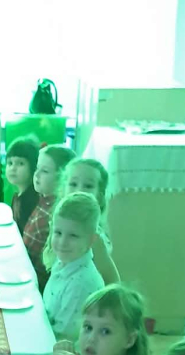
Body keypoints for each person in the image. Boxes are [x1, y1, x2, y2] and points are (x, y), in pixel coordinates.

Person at [42, 192, 104, 342]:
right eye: (58, 233)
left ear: (91, 240)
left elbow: (63, 338)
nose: (62, 242)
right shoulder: (64, 261)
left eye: (73, 236)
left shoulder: (79, 283)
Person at [23, 144, 75, 291]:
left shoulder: (53, 214)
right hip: (25, 269)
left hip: (34, 285)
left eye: (45, 171)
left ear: (62, 178)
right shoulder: (43, 201)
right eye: (37, 168)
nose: (37, 175)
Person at [63, 157, 119, 285]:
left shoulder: (94, 237)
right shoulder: (61, 223)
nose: (79, 190)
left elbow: (112, 281)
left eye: (88, 186)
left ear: (99, 195)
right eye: (73, 184)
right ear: (63, 188)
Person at [4, 136, 40, 233]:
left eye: (20, 163)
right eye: (10, 163)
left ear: (33, 166)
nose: (13, 168)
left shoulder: (31, 200)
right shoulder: (17, 196)